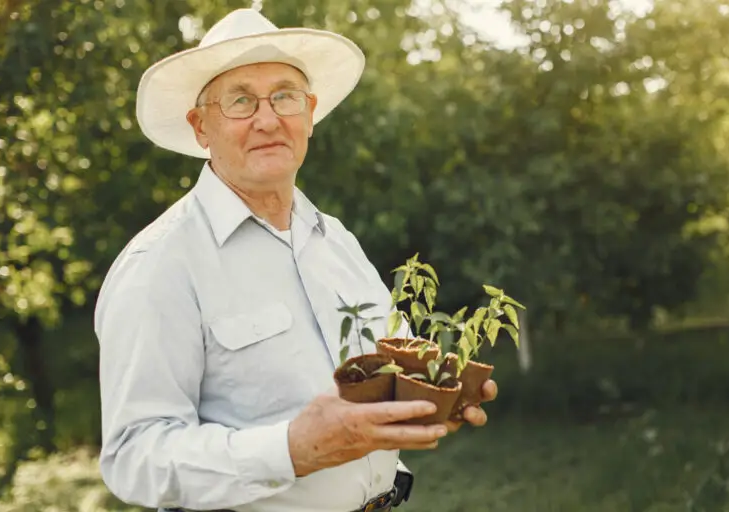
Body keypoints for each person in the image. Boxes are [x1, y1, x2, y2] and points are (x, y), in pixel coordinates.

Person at [94, 8, 498, 512]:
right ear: (201, 127)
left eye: (284, 96)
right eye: (240, 101)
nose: (268, 119)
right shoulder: (160, 263)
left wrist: (433, 395)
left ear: (309, 113)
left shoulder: (338, 242)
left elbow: (378, 379)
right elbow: (135, 457)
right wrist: (291, 450)